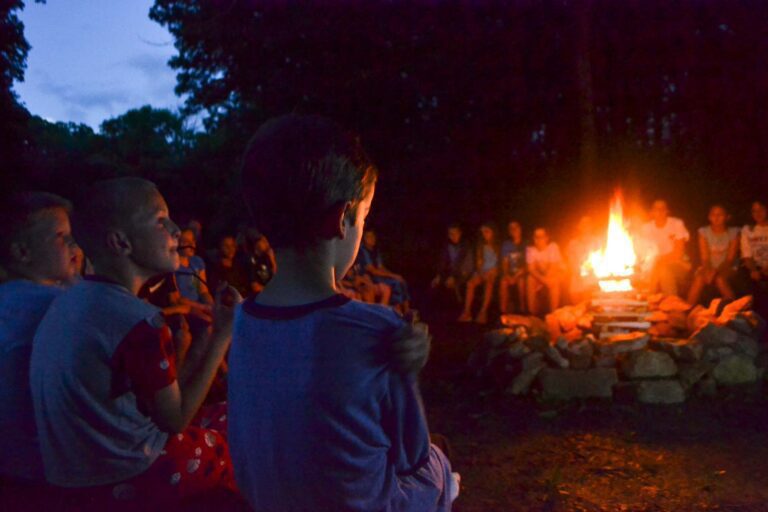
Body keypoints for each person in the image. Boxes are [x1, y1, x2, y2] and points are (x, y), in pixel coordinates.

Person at [229, 114, 457, 512]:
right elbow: (412, 455)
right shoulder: (374, 329)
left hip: (271, 499)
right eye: (364, 217)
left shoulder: (244, 320)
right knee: (439, 462)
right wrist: (403, 364)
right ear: (341, 219)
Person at [29, 178, 241, 510]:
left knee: (222, 414)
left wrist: (204, 342)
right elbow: (174, 420)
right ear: (121, 242)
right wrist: (224, 335)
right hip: (129, 475)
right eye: (161, 220)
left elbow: (163, 401)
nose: (175, 230)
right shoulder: (138, 321)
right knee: (237, 427)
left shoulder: (70, 301)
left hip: (72, 477)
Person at [0, 192, 80, 493]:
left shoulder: (10, 297)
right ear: (23, 252)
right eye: (61, 237)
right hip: (46, 466)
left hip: (11, 460)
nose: (74, 245)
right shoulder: (49, 302)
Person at [687, 205, 740, 305]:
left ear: (727, 217)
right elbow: (705, 257)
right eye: (713, 214)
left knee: (719, 279)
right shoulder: (704, 232)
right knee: (699, 278)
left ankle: (734, 308)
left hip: (728, 266)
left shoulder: (733, 232)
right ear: (709, 217)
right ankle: (688, 308)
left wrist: (715, 272)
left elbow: (730, 259)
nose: (716, 217)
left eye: (720, 215)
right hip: (709, 266)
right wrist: (708, 269)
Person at [640, 199, 691, 296]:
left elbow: (678, 253)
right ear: (651, 212)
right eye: (656, 209)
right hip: (654, 265)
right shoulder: (646, 228)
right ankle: (647, 299)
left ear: (667, 211)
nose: (659, 211)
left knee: (663, 270)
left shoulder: (676, 224)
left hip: (678, 263)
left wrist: (658, 260)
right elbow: (644, 253)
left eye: (662, 208)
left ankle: (672, 301)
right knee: (650, 270)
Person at [357, 228, 411, 313]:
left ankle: (407, 311)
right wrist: (393, 276)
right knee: (395, 283)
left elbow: (380, 267)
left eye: (373, 236)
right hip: (370, 278)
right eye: (368, 237)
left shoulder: (375, 250)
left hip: (378, 276)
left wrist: (394, 275)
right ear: (364, 239)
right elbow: (373, 271)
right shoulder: (362, 251)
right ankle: (398, 310)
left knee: (401, 281)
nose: (372, 239)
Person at [458, 223, 499, 324]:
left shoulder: (498, 246)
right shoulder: (481, 246)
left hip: (493, 271)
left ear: (493, 232)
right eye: (483, 232)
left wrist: (494, 270)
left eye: (487, 231)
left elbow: (500, 262)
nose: (484, 234)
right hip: (481, 272)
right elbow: (479, 262)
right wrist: (481, 273)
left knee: (489, 283)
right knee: (470, 283)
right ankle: (467, 312)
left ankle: (483, 312)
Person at [526, 227, 564, 315]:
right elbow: (531, 269)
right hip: (543, 277)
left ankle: (553, 314)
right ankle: (532, 314)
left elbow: (553, 268)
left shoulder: (553, 247)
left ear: (546, 238)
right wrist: (543, 282)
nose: (538, 239)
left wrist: (543, 283)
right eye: (536, 237)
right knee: (530, 279)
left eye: (541, 237)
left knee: (554, 280)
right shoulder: (531, 250)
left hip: (558, 272)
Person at [431, 223, 471, 304]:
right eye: (450, 234)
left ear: (460, 233)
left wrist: (453, 276)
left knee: (451, 284)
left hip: (463, 271)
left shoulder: (465, 245)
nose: (452, 236)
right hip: (451, 271)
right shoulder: (447, 245)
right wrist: (439, 275)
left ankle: (458, 304)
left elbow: (462, 263)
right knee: (434, 284)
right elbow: (443, 260)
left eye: (455, 233)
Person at [176, 228, 214, 306]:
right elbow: (177, 299)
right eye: (186, 241)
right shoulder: (173, 266)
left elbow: (203, 291)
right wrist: (202, 307)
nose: (192, 244)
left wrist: (211, 305)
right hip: (184, 308)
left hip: (200, 305)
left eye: (193, 241)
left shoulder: (196, 262)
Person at [741, 200, 768, 298]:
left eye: (761, 210)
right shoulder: (748, 230)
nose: (758, 213)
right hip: (756, 267)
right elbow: (747, 255)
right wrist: (754, 270)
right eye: (754, 211)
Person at [498, 220, 526, 314]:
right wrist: (507, 275)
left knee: (521, 282)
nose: (513, 230)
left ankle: (523, 310)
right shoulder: (506, 244)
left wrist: (516, 276)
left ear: (520, 229)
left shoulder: (526, 244)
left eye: (516, 227)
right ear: (509, 231)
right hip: (510, 273)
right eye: (511, 228)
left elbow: (527, 264)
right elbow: (505, 262)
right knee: (503, 281)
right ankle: (503, 312)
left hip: (522, 273)